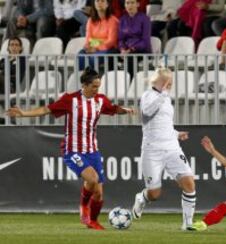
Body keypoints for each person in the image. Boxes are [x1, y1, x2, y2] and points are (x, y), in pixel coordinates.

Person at [6, 67, 136, 230]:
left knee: (98, 193)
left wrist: (126, 110)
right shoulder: (70, 100)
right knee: (92, 179)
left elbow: (113, 109)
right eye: (94, 86)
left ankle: (93, 221)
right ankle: (83, 207)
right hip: (73, 150)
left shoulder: (100, 100)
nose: (97, 89)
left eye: (98, 86)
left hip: (92, 150)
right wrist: (23, 114)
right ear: (85, 85)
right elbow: (47, 109)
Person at [132, 67, 197, 230]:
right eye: (168, 81)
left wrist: (176, 134)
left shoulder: (166, 99)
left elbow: (164, 124)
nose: (170, 85)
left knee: (189, 182)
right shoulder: (148, 96)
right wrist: (163, 95)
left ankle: (187, 223)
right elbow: (146, 115)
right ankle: (142, 198)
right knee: (154, 193)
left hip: (172, 147)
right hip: (152, 149)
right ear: (161, 81)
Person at [77, 0, 119, 70]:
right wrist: (89, 47)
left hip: (110, 49)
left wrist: (96, 47)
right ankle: (83, 79)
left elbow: (111, 41)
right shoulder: (90, 20)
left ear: (107, 4)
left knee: (94, 58)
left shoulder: (113, 20)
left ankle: (93, 78)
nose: (99, 3)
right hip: (94, 48)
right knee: (80, 55)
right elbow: (88, 40)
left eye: (102, 1)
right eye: (97, 1)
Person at [118, 0, 152, 78]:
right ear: (125, 5)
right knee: (111, 55)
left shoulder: (145, 18)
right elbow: (120, 39)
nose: (130, 5)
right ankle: (114, 84)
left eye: (132, 3)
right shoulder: (122, 19)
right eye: (127, 3)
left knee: (130, 57)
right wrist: (122, 49)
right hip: (126, 50)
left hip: (142, 50)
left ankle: (131, 83)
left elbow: (145, 40)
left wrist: (131, 49)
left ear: (137, 4)